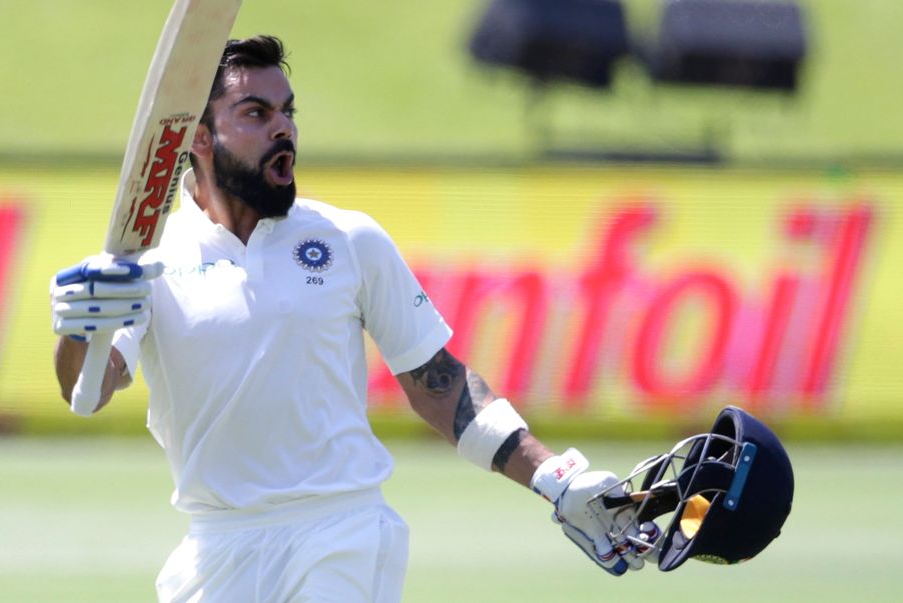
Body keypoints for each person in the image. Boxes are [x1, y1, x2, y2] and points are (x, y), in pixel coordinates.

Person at [51, 35, 653, 603]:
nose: (283, 128)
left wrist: (553, 477)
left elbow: (441, 387)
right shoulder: (146, 261)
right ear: (201, 139)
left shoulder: (348, 239)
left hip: (340, 532)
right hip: (215, 548)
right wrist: (80, 328)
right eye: (256, 113)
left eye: (287, 111)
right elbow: (87, 392)